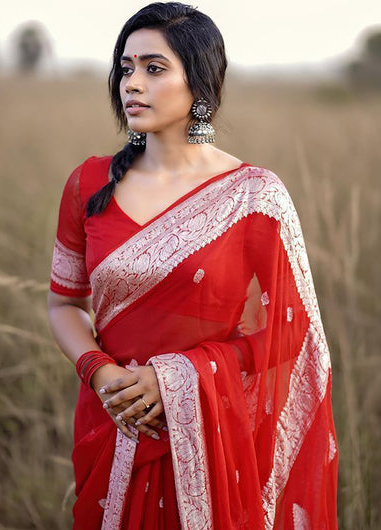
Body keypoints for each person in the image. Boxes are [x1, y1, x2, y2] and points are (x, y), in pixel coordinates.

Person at [48, 2, 338, 529]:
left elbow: (291, 334)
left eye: (154, 69)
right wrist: (100, 373)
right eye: (126, 67)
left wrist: (177, 380)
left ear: (199, 85)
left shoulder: (252, 196)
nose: (131, 82)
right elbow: (64, 302)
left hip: (212, 438)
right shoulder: (88, 184)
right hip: (112, 423)